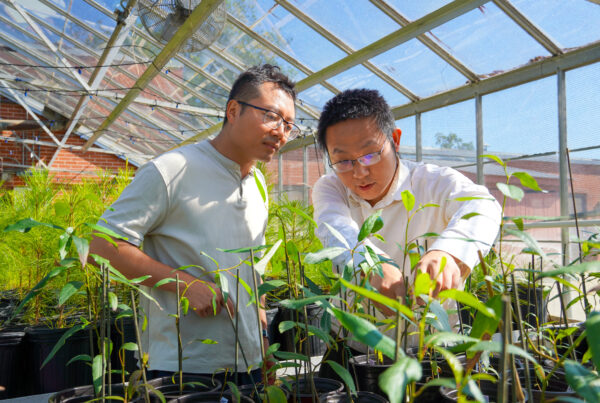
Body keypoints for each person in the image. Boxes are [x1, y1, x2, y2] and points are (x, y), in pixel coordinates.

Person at [89, 64, 299, 384]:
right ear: (233, 110)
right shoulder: (173, 169)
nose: (281, 132)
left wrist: (265, 346)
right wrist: (186, 285)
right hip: (184, 365)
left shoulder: (258, 184)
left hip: (250, 363)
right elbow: (101, 246)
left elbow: (252, 275)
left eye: (289, 124)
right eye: (271, 116)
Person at [312, 88, 502, 346]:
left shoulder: (433, 182)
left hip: (431, 349)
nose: (360, 172)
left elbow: (483, 206)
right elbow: (333, 228)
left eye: (370, 154)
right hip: (352, 346)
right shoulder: (330, 187)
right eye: (343, 161)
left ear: (395, 140)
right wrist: (371, 265)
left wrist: (446, 253)